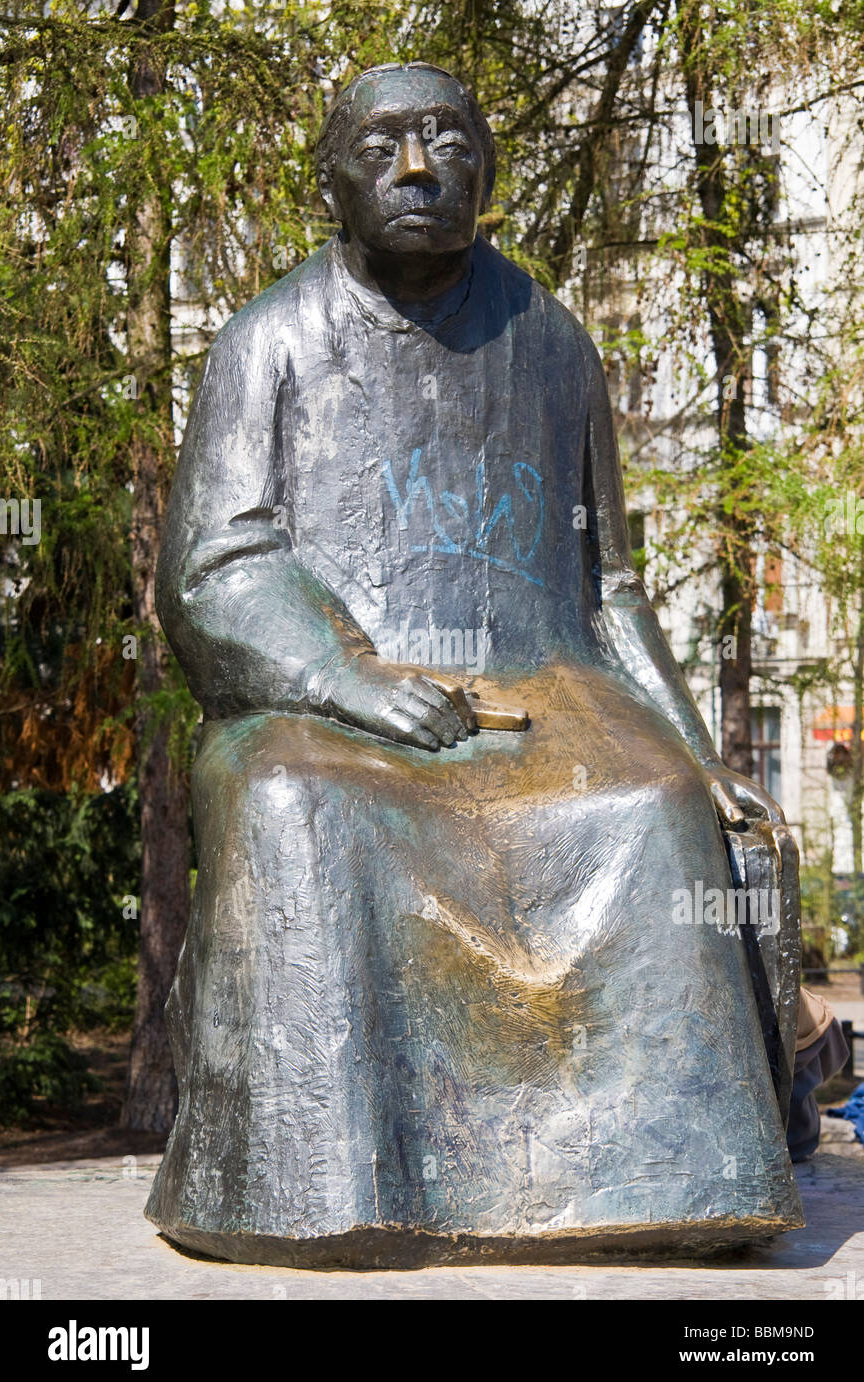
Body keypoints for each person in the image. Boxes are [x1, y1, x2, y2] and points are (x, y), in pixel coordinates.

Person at [146, 63, 803, 1266]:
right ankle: (320, 1190)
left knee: (654, 810)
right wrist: (348, 680)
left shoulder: (547, 340)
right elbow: (213, 566)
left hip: (546, 688)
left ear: (483, 172)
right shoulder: (268, 343)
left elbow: (607, 587)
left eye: (444, 139)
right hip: (320, 697)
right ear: (332, 181)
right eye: (383, 144)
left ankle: (672, 1181)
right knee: (296, 800)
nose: (414, 168)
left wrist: (698, 755)